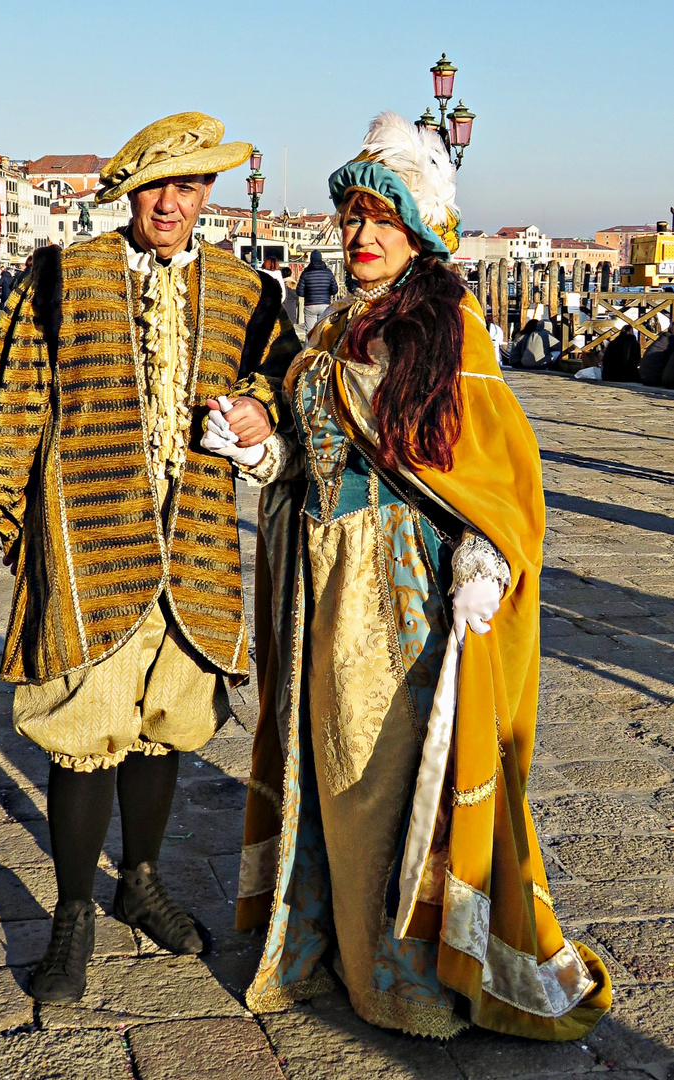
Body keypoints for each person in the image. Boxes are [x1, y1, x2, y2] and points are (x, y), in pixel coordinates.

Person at [207, 111, 611, 1041]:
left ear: (416, 227)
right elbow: (317, 450)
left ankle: (406, 971)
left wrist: (483, 555)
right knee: (326, 772)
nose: (358, 236)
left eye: (377, 220)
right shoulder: (341, 321)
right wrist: (263, 447)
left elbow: (494, 476)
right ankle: (335, 951)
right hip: (320, 589)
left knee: (386, 786)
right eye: (348, 219)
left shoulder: (447, 329)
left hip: (396, 597)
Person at [0, 111, 300, 1005]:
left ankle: (139, 880)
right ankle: (71, 911)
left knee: (168, 722)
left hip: (197, 554)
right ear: (130, 192)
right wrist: (25, 538)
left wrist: (260, 404)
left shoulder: (250, 292)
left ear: (209, 195)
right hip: (88, 549)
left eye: (191, 186)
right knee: (83, 736)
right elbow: (5, 410)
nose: (173, 202)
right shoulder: (61, 276)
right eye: (158, 185)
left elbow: (288, 380)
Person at [296, 249, 338, 333]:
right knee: (323, 331)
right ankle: (322, 346)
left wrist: (308, 294)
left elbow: (299, 292)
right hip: (325, 304)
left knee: (310, 332)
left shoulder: (306, 273)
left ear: (311, 259)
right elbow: (334, 290)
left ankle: (310, 346)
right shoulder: (328, 272)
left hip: (310, 305)